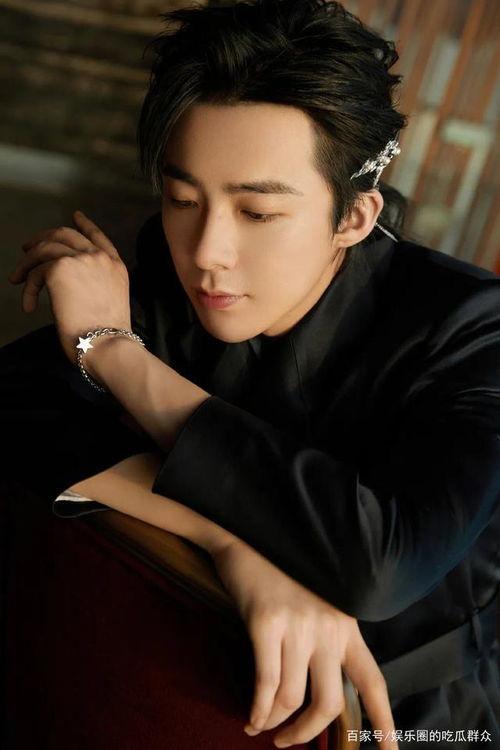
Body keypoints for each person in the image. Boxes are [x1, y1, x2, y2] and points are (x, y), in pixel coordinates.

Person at [2, 1, 499, 748]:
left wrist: (116, 354)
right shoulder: (169, 280)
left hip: (414, 721)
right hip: (197, 685)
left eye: (258, 213)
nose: (208, 251)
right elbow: (17, 403)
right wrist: (231, 545)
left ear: (354, 217)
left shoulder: (473, 326)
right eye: (183, 199)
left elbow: (378, 565)